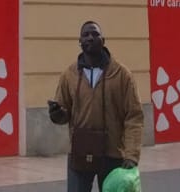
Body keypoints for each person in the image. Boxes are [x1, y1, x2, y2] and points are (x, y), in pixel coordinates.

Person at [48, 21, 143, 192]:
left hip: (112, 154)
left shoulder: (122, 75)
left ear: (103, 40)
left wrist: (132, 155)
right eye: (86, 35)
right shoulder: (69, 75)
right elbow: (64, 113)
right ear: (80, 41)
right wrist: (57, 114)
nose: (90, 38)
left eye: (95, 34)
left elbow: (134, 117)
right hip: (79, 154)